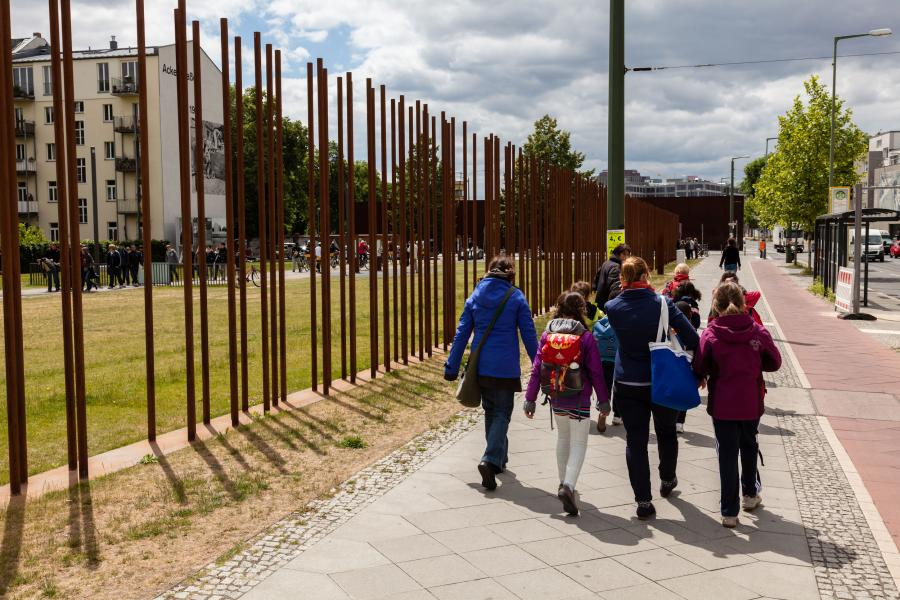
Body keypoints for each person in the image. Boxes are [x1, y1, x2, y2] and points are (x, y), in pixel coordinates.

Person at [604, 257, 700, 519]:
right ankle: (667, 478)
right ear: (646, 275)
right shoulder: (663, 304)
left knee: (636, 442)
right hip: (662, 379)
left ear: (622, 279)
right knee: (667, 432)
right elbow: (692, 338)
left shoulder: (612, 307)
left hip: (628, 382)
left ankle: (643, 501)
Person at [444, 256, 538, 491]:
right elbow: (528, 334)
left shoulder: (475, 296)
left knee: (491, 410)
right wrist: (539, 364)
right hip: (505, 367)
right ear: (510, 275)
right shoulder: (516, 297)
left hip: (482, 365)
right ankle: (491, 459)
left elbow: (461, 333)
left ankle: (499, 458)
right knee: (502, 412)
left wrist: (451, 367)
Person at [693, 281, 781, 527]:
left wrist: (705, 374)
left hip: (722, 404)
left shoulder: (711, 333)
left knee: (727, 455)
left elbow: (700, 365)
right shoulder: (757, 331)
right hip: (751, 401)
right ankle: (750, 494)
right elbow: (774, 362)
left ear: (716, 307)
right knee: (750, 444)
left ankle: (729, 511)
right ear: (744, 305)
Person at [523, 291, 608, 515]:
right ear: (581, 309)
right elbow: (596, 372)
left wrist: (530, 399)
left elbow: (536, 369)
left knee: (563, 438)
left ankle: (563, 483)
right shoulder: (585, 336)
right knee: (579, 442)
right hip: (579, 397)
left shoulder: (547, 333)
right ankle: (569, 486)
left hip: (556, 395)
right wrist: (604, 400)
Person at [673, 281, 702, 434]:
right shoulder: (693, 335)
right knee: (683, 396)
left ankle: (672, 419)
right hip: (687, 369)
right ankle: (680, 422)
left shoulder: (669, 333)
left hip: (672, 369)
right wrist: (700, 375)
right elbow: (699, 356)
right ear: (690, 315)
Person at [592, 289, 622, 433]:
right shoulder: (621, 321)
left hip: (602, 359)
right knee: (618, 387)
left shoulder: (600, 322)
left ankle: (602, 410)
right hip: (618, 359)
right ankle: (617, 415)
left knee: (604, 387)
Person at [593, 243, 631, 310]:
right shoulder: (616, 267)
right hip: (607, 305)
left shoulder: (606, 263)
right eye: (624, 254)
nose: (626, 257)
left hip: (600, 301)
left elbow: (595, 283)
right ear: (617, 254)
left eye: (628, 255)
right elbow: (615, 291)